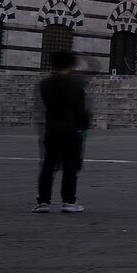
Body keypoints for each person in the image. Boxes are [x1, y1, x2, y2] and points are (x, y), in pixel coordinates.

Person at [35, 49, 92, 214]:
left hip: (52, 129)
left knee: (48, 166)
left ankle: (43, 202)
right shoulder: (76, 84)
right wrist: (84, 128)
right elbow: (81, 109)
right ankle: (68, 201)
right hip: (72, 130)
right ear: (71, 64)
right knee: (70, 166)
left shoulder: (45, 84)